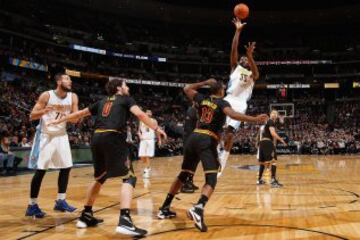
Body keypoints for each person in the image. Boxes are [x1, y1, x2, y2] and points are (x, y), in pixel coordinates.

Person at [47, 79, 166, 237]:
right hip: (113, 137)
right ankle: (125, 220)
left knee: (99, 177)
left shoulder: (101, 101)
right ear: (118, 88)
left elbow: (80, 113)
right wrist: (157, 128)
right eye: (125, 85)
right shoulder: (126, 99)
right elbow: (140, 114)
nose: (128, 88)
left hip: (96, 138)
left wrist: (60, 119)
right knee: (129, 178)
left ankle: (86, 215)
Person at [157, 79, 267, 232]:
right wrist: (254, 119)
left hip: (193, 138)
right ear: (221, 91)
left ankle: (164, 207)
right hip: (206, 139)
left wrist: (204, 82)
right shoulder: (222, 103)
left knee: (183, 174)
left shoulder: (203, 99)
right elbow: (233, 115)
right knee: (212, 178)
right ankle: (198, 208)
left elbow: (187, 87)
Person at [25, 73, 79, 218]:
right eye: (67, 79)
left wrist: (68, 115)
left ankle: (60, 201)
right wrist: (45, 110)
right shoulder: (46, 96)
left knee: (67, 167)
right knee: (41, 170)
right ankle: (32, 205)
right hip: (45, 136)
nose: (70, 81)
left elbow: (75, 120)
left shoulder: (73, 97)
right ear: (59, 81)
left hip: (62, 135)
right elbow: (32, 115)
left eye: (70, 79)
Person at [218, 18, 260, 177]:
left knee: (229, 133)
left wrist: (250, 56)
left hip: (240, 104)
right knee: (217, 129)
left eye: (246, 59)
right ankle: (216, 151)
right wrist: (237, 31)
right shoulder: (235, 68)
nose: (243, 59)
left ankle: (223, 159)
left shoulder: (252, 75)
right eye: (242, 58)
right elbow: (234, 49)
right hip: (228, 99)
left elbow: (256, 73)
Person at [257, 110, 287, 188]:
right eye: (273, 113)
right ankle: (273, 181)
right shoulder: (270, 121)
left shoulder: (267, 123)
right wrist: (281, 140)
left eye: (275, 114)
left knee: (263, 163)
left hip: (262, 143)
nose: (274, 114)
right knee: (273, 161)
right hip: (267, 142)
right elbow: (273, 133)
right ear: (270, 115)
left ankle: (259, 180)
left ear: (276, 116)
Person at [180, 103, 199, 193]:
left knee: (195, 162)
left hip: (194, 139)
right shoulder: (191, 111)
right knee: (189, 162)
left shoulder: (196, 111)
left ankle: (190, 181)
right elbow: (188, 129)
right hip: (190, 139)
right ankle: (184, 184)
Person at [138, 110, 157, 178]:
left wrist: (159, 139)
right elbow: (138, 131)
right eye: (147, 112)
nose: (149, 113)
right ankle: (148, 167)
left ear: (151, 114)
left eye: (150, 112)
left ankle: (147, 169)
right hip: (143, 140)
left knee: (147, 155)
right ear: (145, 113)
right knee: (142, 156)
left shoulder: (154, 121)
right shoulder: (141, 121)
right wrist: (140, 135)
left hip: (150, 139)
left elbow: (156, 130)